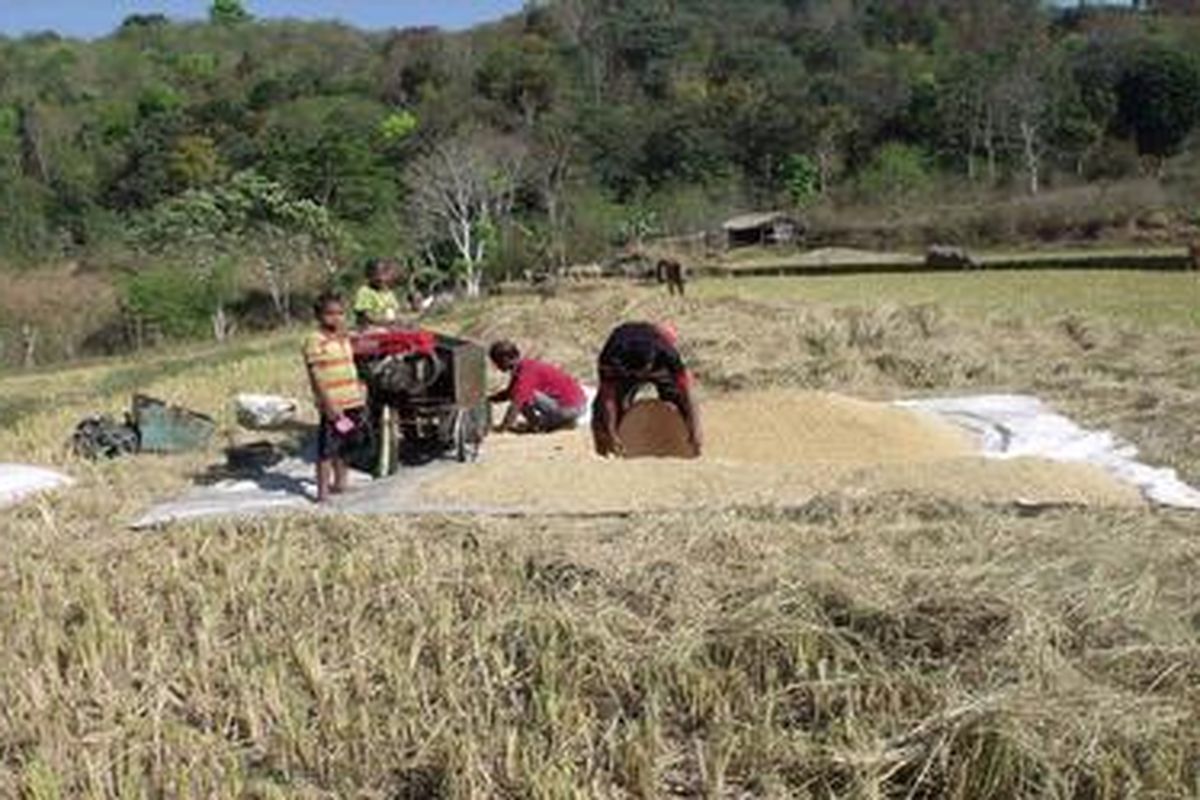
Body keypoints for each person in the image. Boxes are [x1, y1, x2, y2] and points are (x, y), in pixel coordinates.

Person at [592, 321, 701, 457]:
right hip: (623, 363)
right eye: (639, 374)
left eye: (645, 370)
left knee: (680, 400)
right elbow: (608, 399)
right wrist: (611, 432)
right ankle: (606, 454)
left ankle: (692, 449)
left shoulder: (666, 353)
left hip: (656, 361)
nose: (642, 377)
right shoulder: (611, 358)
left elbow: (687, 391)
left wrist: (696, 429)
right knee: (600, 414)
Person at [303, 292, 368, 502]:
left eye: (340, 313)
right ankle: (322, 493)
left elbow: (351, 365)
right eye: (330, 314)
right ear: (319, 316)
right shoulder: (315, 340)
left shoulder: (344, 338)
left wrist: (360, 388)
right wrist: (327, 403)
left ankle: (341, 484)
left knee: (346, 444)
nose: (336, 318)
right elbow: (316, 375)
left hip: (352, 400)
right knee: (328, 447)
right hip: (334, 403)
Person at [488, 340, 587, 433]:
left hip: (569, 408)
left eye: (497, 362)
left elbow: (517, 402)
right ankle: (556, 423)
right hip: (575, 406)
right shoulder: (524, 367)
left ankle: (538, 426)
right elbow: (508, 393)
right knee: (518, 392)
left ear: (505, 359)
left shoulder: (526, 371)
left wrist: (503, 428)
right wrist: (487, 399)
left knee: (520, 395)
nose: (497, 366)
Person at [353, 258, 403, 327]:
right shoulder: (365, 291)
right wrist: (382, 322)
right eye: (376, 274)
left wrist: (398, 320)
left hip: (387, 325)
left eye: (383, 274)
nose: (380, 278)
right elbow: (367, 315)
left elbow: (395, 311)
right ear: (368, 276)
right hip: (370, 326)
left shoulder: (388, 293)